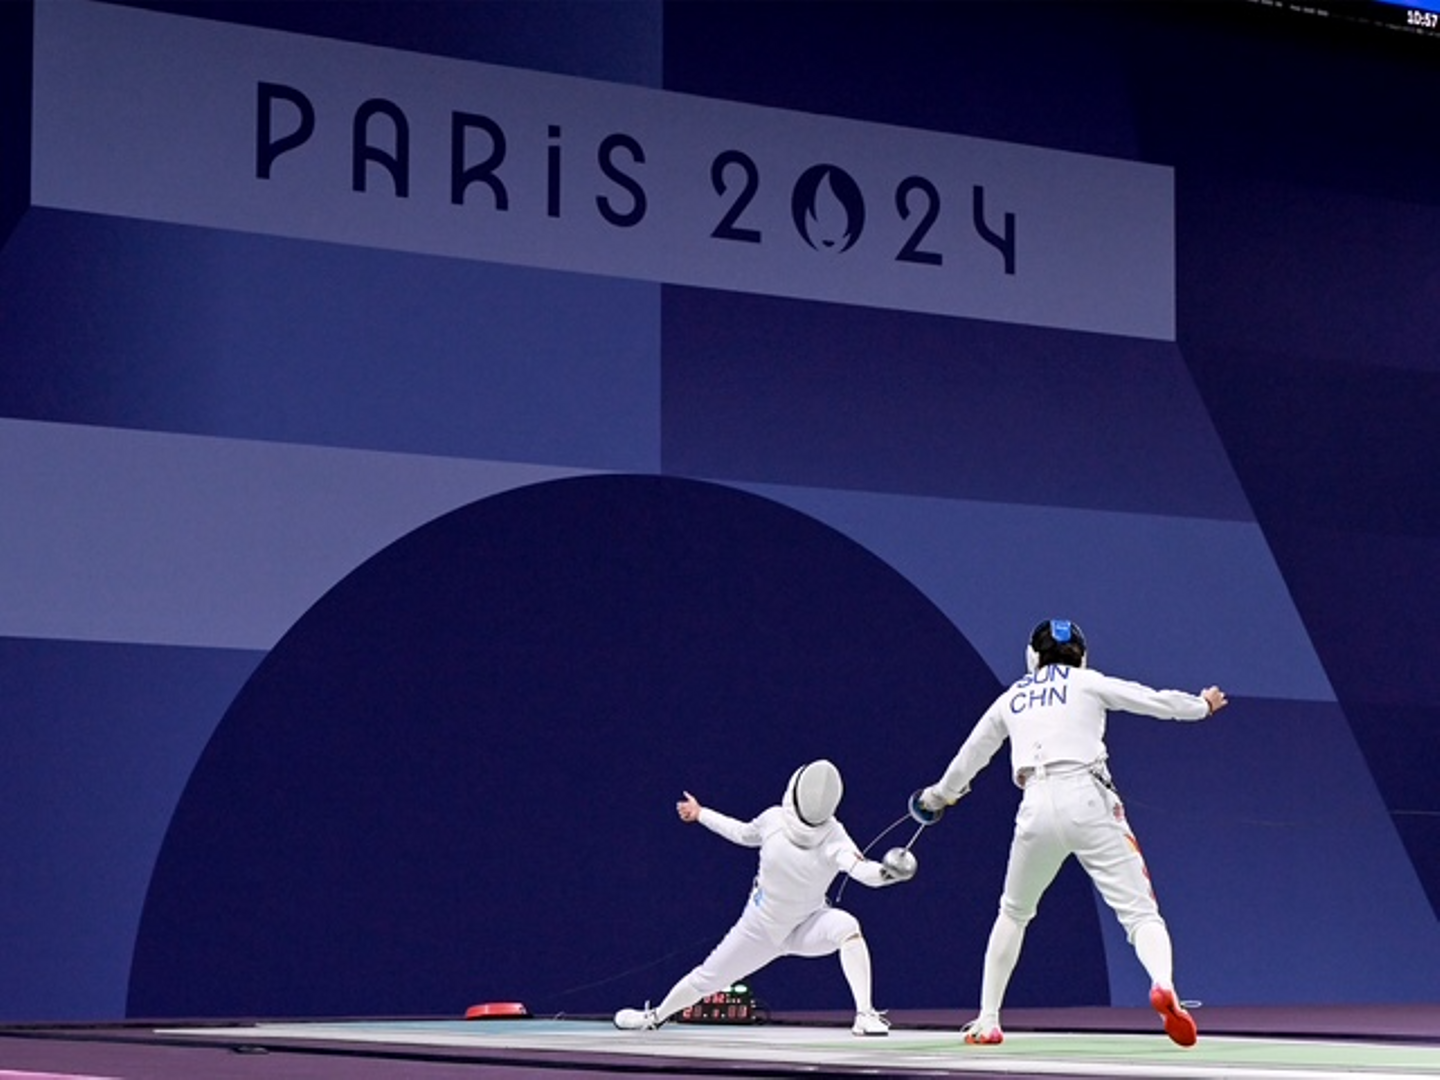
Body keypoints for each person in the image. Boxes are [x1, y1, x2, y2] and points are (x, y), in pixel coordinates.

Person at [915, 619, 1228, 1048]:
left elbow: (970, 756)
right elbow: (1151, 700)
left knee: (1013, 913)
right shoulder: (1088, 681)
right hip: (1088, 801)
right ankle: (1163, 985)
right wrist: (1201, 706)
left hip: (1035, 807)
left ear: (1033, 656)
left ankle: (988, 1020)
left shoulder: (1012, 698)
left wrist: (937, 798)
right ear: (1080, 656)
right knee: (1139, 914)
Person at [613, 759, 912, 1037]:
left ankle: (865, 1015)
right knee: (706, 979)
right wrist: (701, 813)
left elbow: (862, 870)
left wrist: (886, 873)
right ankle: (654, 1017)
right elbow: (741, 833)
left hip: (806, 924)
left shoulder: (835, 837)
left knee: (847, 928)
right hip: (760, 930)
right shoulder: (773, 820)